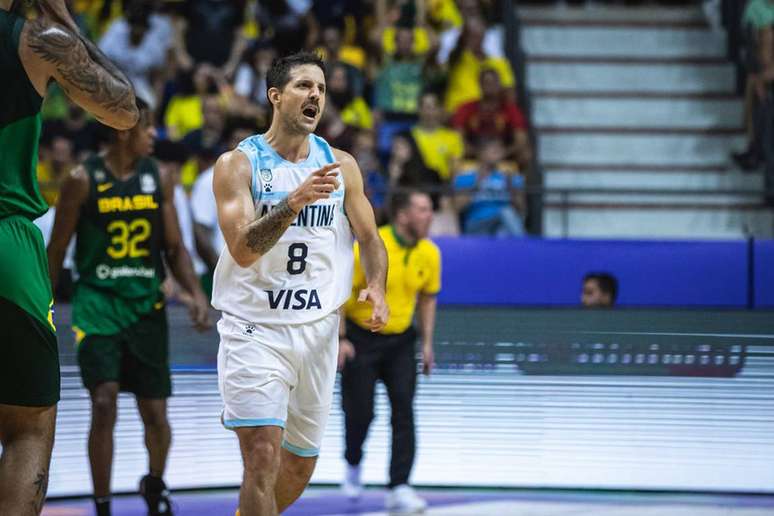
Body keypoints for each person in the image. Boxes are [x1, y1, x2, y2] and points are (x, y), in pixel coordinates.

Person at [211, 52, 389, 516]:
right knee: (262, 458)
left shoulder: (341, 165)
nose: (316, 96)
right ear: (275, 96)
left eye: (322, 89)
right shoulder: (238, 164)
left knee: (297, 470)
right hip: (255, 329)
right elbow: (243, 250)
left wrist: (378, 286)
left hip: (317, 333)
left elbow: (370, 239)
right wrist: (290, 205)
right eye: (304, 86)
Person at [0, 1, 138, 513]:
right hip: (5, 245)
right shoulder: (36, 39)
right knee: (27, 429)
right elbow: (124, 111)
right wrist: (71, 27)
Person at [46, 98, 210, 516]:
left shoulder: (161, 177)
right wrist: (40, 309)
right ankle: (103, 505)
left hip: (146, 308)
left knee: (155, 412)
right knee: (104, 402)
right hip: (98, 305)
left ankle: (155, 484)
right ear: (123, 131)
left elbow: (173, 247)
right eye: (148, 129)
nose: (154, 135)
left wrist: (195, 294)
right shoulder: (83, 179)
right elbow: (57, 249)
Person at [338, 190, 440, 513]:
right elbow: (339, 293)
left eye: (430, 210)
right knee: (360, 413)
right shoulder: (369, 246)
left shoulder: (430, 253)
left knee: (404, 412)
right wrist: (340, 338)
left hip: (401, 341)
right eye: (422, 209)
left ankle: (399, 486)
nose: (430, 215)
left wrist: (426, 344)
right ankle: (353, 462)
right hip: (361, 337)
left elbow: (427, 297)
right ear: (403, 215)